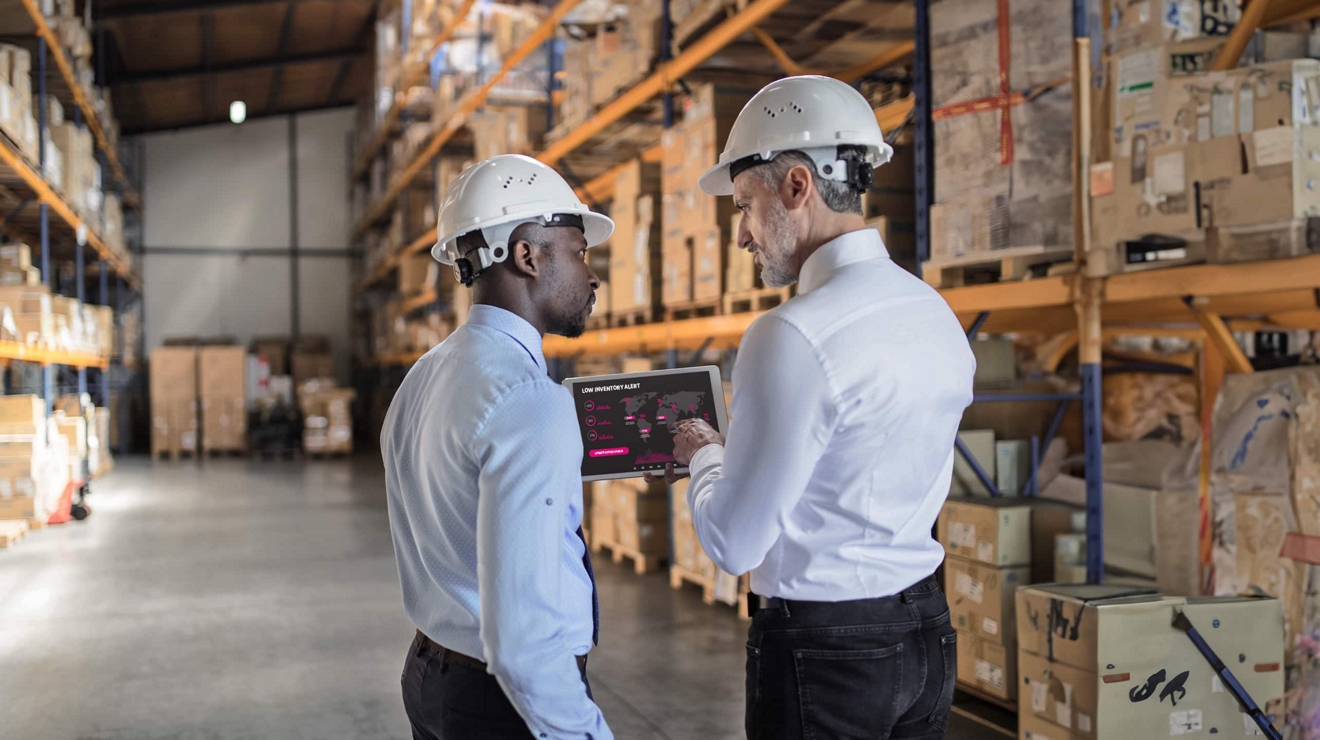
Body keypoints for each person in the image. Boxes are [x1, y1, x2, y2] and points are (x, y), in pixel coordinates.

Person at [648, 76, 976, 739]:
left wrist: (703, 453)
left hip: (827, 653)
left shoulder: (791, 334)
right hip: (926, 639)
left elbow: (735, 541)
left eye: (743, 204)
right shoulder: (934, 312)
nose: (741, 234)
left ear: (798, 187)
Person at [382, 154, 615, 740]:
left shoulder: (422, 377)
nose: (592, 276)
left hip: (432, 676)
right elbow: (525, 640)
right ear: (527, 255)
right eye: (579, 251)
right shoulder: (529, 400)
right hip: (503, 705)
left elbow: (465, 494)